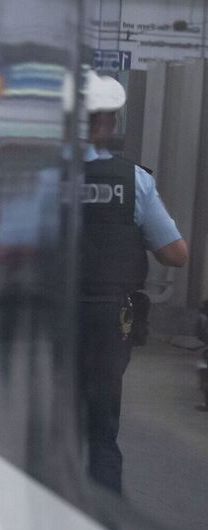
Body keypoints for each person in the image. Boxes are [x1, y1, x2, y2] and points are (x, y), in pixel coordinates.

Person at [79, 72, 188, 493]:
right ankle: (102, 522)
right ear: (108, 124)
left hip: (52, 315)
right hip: (111, 318)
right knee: (101, 425)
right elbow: (176, 255)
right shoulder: (135, 182)